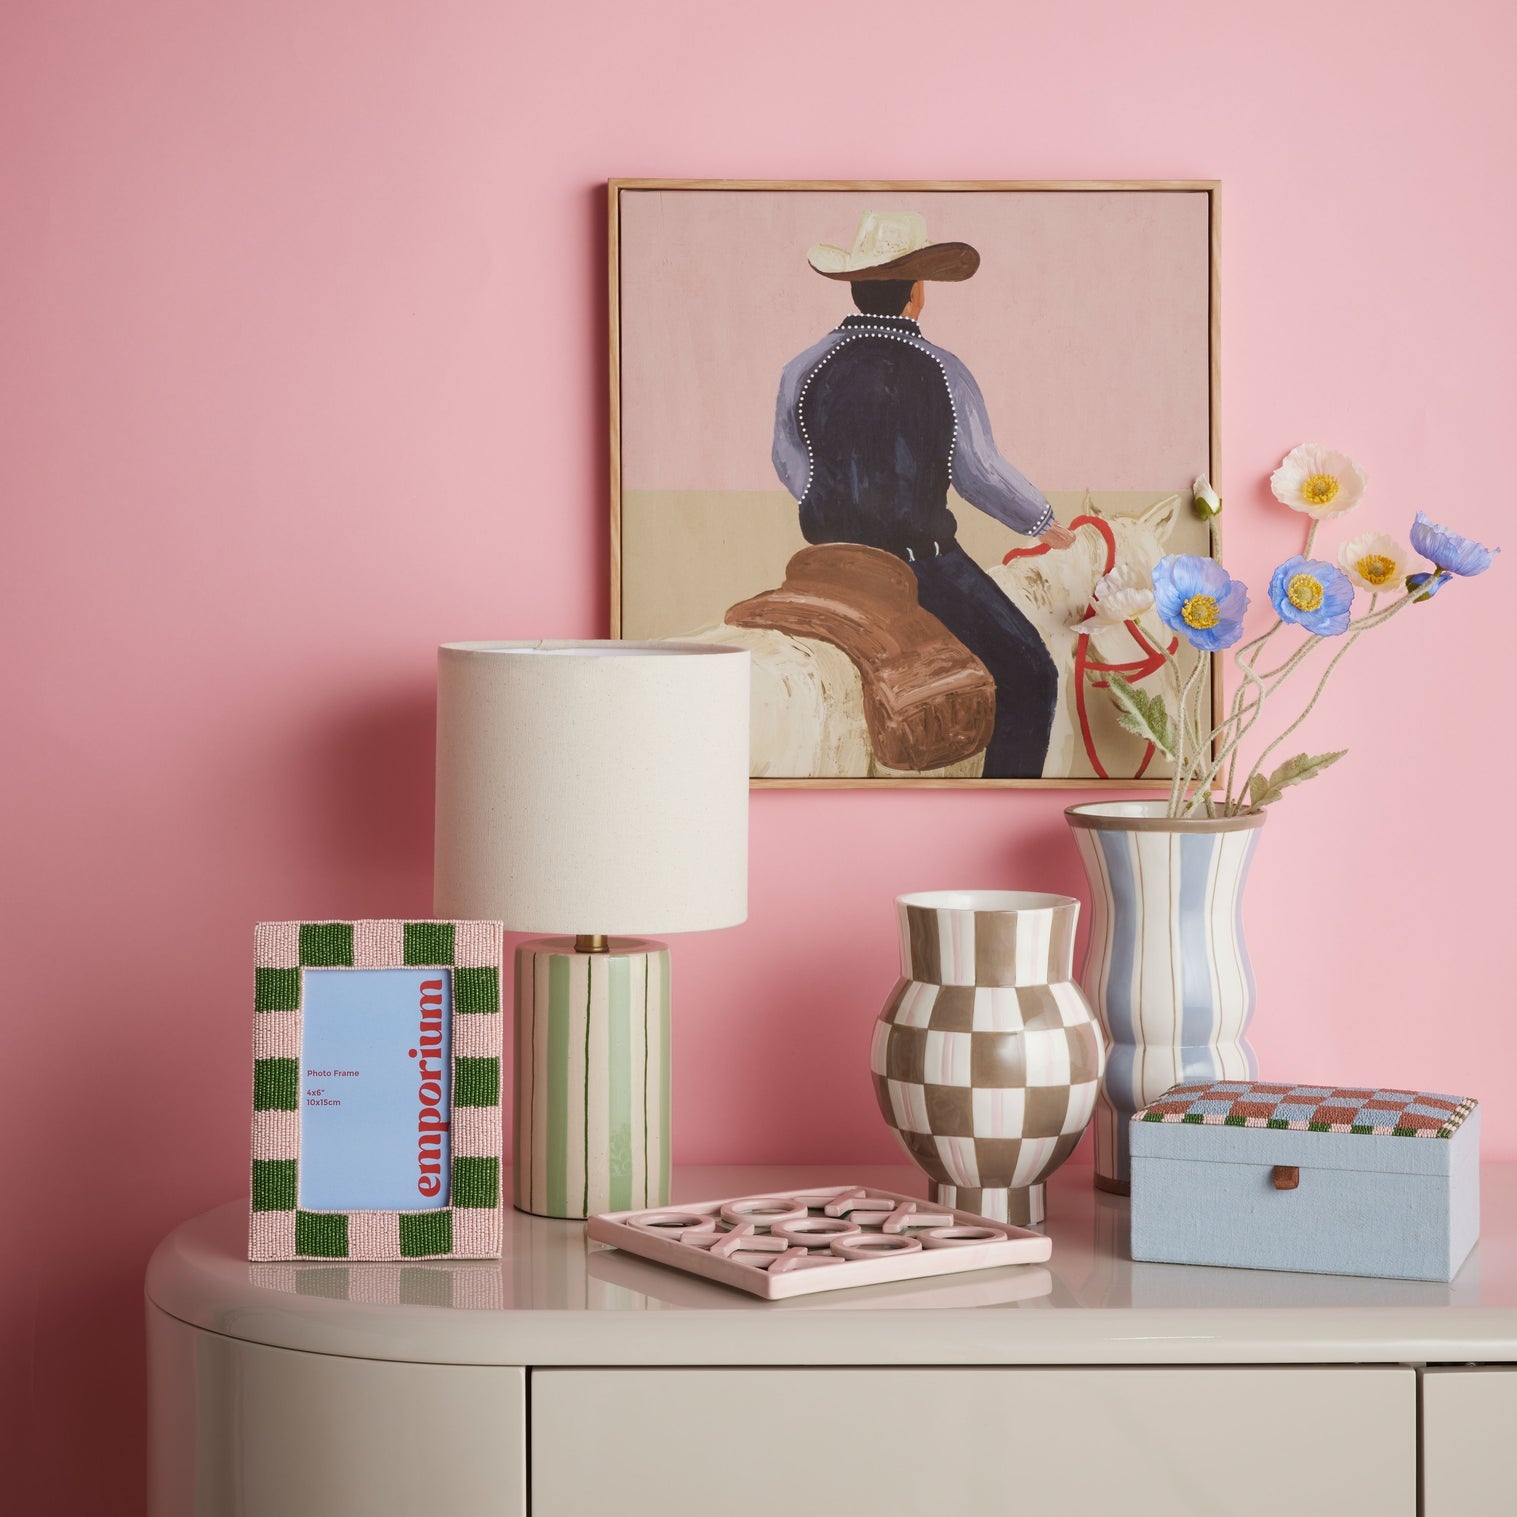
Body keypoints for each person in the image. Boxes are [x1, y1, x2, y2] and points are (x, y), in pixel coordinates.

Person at [772, 211, 1074, 778]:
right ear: (916, 293)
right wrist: (1042, 522)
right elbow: (979, 473)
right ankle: (1002, 801)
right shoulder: (944, 369)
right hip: (922, 566)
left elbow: (789, 461)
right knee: (1032, 672)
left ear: (856, 287)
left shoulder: (803, 366)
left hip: (828, 559)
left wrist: (835, 504)